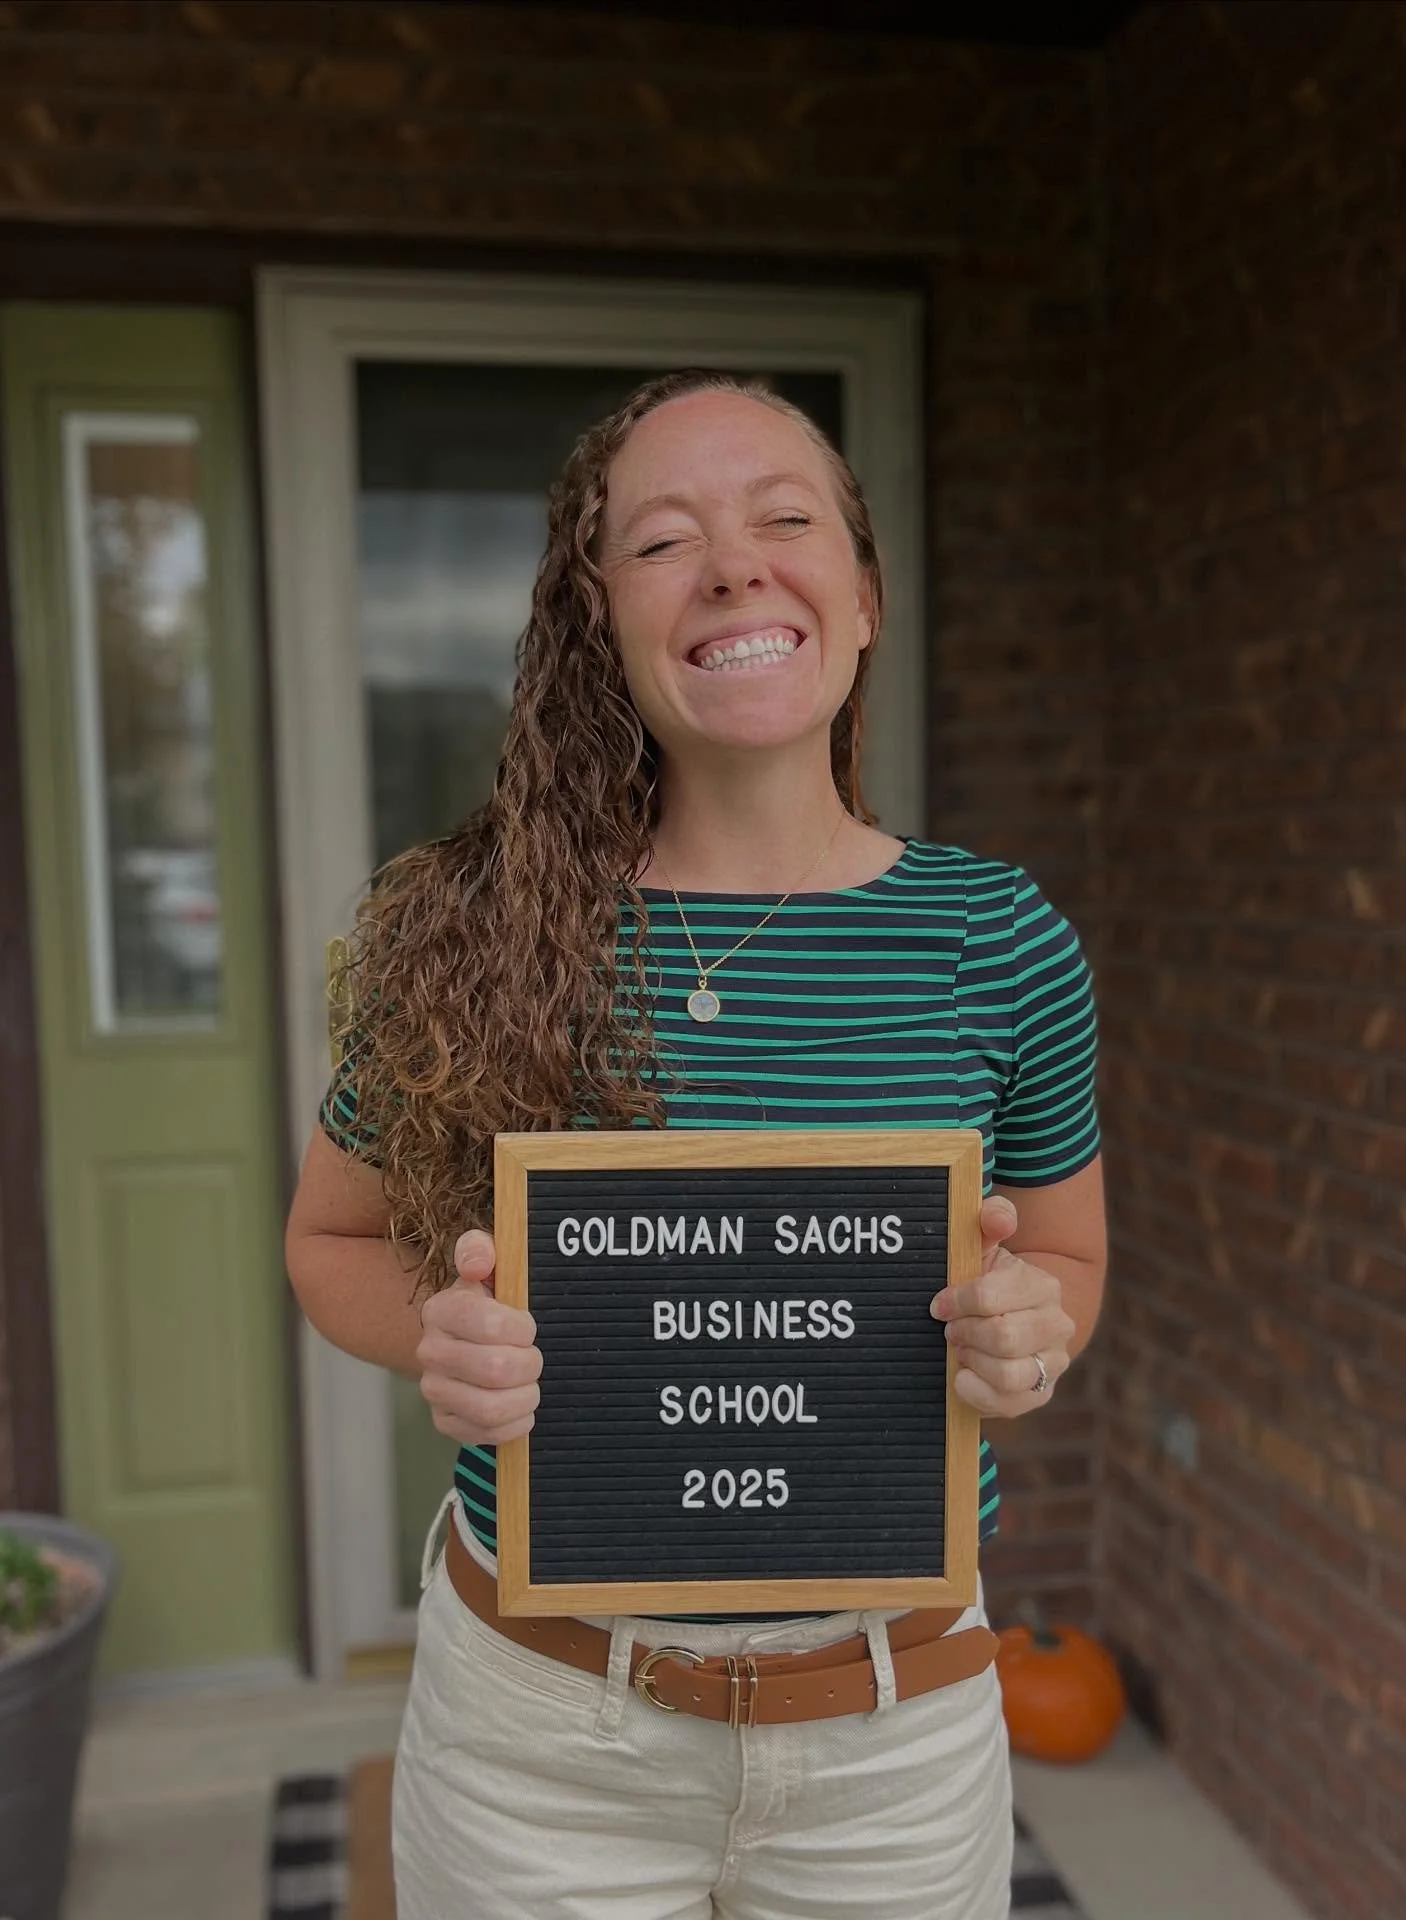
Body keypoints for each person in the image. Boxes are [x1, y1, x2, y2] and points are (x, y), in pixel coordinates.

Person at [285, 369, 1107, 1920]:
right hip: (542, 1733)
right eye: (663, 540)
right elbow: (329, 1243)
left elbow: (1065, 1260)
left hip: (893, 1734)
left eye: (784, 521)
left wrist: (1027, 1333)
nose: (736, 564)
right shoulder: (465, 932)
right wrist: (445, 1340)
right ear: (595, 620)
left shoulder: (997, 942)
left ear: (861, 599)